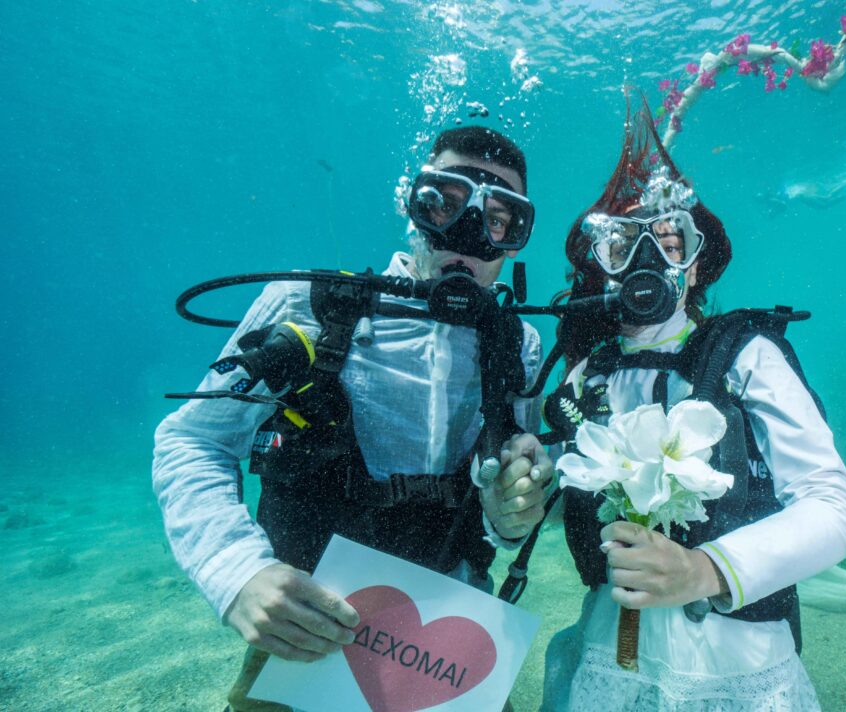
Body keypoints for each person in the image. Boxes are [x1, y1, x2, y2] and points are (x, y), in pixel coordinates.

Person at [152, 126, 551, 711]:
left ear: (515, 238)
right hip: (307, 630)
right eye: (446, 202)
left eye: (497, 219)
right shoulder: (307, 303)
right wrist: (236, 572)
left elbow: (505, 508)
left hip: (451, 626)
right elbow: (191, 440)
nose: (469, 235)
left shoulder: (517, 343)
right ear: (414, 207)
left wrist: (511, 514)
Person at [539, 101, 846, 710]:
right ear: (600, 270)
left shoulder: (746, 356)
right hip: (608, 650)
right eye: (620, 248)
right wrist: (522, 495)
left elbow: (831, 505)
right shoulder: (587, 376)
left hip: (735, 665)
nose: (647, 264)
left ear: (694, 265)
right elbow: (561, 503)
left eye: (668, 244)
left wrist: (704, 571)